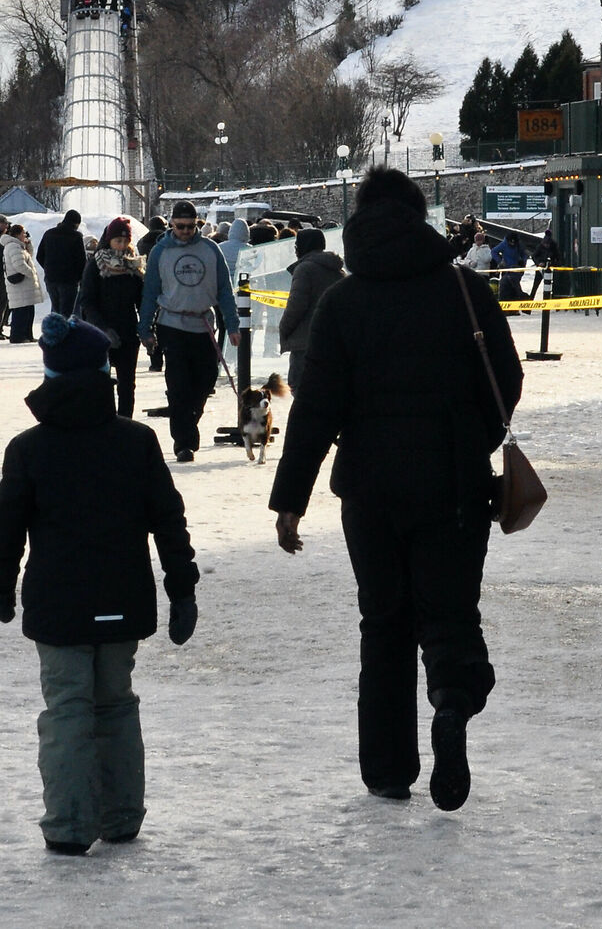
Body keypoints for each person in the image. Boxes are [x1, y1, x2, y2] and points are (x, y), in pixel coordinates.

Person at [268, 167, 522, 812]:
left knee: (383, 623)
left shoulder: (343, 303)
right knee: (450, 614)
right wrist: (474, 442)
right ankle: (453, 704)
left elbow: (315, 407)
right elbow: (507, 380)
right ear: (421, 221)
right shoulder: (464, 290)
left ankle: (386, 767)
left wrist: (290, 498)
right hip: (455, 486)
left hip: (370, 491)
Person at [0, 312, 198, 856]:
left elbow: (6, 526)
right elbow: (168, 521)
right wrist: (182, 587)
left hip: (59, 605)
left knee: (67, 710)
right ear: (104, 373)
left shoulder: (29, 448)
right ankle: (121, 815)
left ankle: (70, 825)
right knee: (117, 704)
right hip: (121, 597)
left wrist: (0, 584)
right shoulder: (136, 441)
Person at [136, 200, 238, 462]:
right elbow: (150, 291)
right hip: (172, 324)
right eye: (180, 226)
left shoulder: (210, 249)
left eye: (191, 226)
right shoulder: (160, 251)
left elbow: (224, 290)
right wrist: (145, 326)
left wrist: (233, 323)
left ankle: (190, 418)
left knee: (205, 380)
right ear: (171, 224)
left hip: (203, 323)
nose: (185, 231)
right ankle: (184, 442)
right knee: (179, 384)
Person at [74, 215, 146, 417]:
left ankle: (124, 424)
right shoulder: (96, 265)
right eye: (118, 240)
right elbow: (87, 300)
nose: (122, 246)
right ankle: (103, 422)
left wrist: (147, 326)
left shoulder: (133, 265)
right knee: (101, 383)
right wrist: (102, 328)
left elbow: (141, 300)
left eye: (125, 241)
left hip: (128, 331)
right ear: (109, 240)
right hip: (100, 332)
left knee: (127, 384)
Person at [275, 226, 346, 392]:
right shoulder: (337, 270)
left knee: (300, 387)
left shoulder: (305, 269)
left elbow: (296, 306)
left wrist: (284, 329)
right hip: (332, 340)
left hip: (304, 341)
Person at [37, 209, 87, 318]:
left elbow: (39, 256)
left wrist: (48, 268)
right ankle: (65, 334)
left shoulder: (48, 234)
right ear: (76, 223)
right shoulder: (76, 236)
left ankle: (55, 333)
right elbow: (82, 261)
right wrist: (79, 278)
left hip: (51, 279)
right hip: (69, 281)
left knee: (56, 310)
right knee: (67, 313)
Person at [136, 214, 168, 372]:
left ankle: (155, 360)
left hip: (148, 282)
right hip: (167, 283)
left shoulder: (142, 242)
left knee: (151, 320)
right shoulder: (167, 242)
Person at [3, 224, 43, 343]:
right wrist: (32, 273)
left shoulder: (19, 246)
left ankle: (27, 335)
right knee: (21, 312)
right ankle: (18, 336)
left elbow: (28, 256)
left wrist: (28, 244)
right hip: (20, 285)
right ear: (17, 234)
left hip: (24, 286)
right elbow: (19, 264)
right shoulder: (13, 246)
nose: (25, 235)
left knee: (28, 311)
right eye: (23, 233)